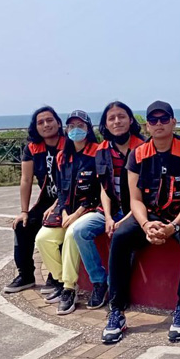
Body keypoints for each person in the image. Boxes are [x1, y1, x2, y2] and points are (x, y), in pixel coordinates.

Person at [102, 101, 180, 344]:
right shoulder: (138, 154)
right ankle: (116, 310)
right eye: (153, 120)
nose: (158, 124)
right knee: (120, 236)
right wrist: (147, 225)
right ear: (147, 125)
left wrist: (173, 227)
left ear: (173, 121)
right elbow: (135, 200)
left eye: (163, 119)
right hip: (151, 216)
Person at [70, 102, 146, 310]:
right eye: (111, 118)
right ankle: (98, 281)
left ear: (131, 120)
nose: (117, 121)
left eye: (121, 116)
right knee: (80, 230)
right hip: (110, 210)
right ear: (105, 124)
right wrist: (110, 217)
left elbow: (148, 192)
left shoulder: (143, 147)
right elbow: (104, 187)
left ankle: (115, 289)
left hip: (137, 211)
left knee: (124, 237)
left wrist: (124, 219)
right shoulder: (102, 150)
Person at [34, 110, 101, 315]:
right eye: (71, 126)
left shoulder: (98, 153)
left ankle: (69, 289)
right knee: (43, 238)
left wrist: (77, 213)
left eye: (80, 126)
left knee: (73, 233)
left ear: (88, 129)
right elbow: (61, 190)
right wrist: (62, 211)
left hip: (90, 210)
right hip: (68, 211)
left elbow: (99, 190)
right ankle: (62, 281)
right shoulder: (63, 157)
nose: (75, 130)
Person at [4, 106, 65, 294]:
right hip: (46, 200)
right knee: (22, 226)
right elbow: (26, 179)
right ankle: (26, 275)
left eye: (49, 120)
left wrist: (58, 205)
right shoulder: (32, 148)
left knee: (56, 226)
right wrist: (24, 211)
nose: (46, 125)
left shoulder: (68, 143)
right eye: (41, 122)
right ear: (35, 127)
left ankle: (55, 276)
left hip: (68, 199)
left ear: (58, 122)